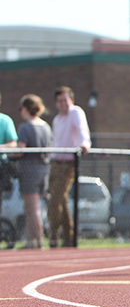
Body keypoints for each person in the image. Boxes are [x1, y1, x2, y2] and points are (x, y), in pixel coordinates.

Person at [48, 86, 91, 247]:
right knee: (61, 201)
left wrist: (84, 144)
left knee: (55, 199)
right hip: (55, 162)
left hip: (68, 163)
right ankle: (69, 237)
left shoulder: (76, 113)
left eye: (65, 100)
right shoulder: (57, 119)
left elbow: (82, 131)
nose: (62, 104)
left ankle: (53, 233)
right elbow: (56, 141)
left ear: (71, 100)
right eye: (59, 101)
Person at [13, 94, 52, 249]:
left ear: (26, 108)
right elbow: (49, 152)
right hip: (43, 170)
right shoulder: (46, 127)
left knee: (33, 207)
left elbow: (20, 151)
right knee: (33, 207)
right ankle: (31, 240)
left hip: (29, 171)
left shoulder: (25, 127)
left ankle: (39, 240)